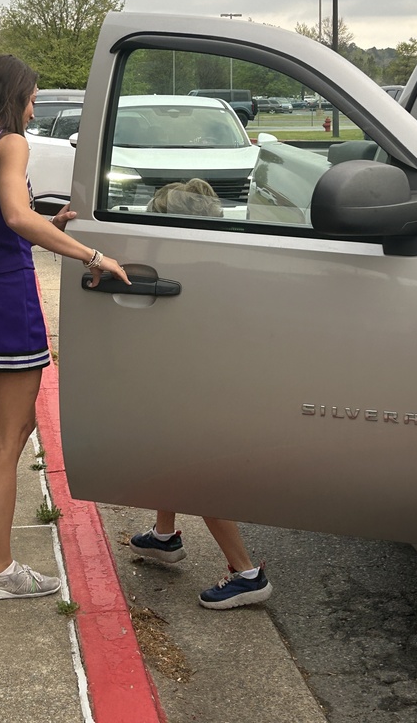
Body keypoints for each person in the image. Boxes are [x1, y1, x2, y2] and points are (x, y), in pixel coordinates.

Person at [0, 54, 129, 601]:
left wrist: (52, 222)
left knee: (6, 439)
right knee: (8, 442)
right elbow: (17, 216)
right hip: (9, 300)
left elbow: (5, 219)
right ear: (11, 95)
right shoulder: (8, 144)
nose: (35, 104)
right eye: (33, 96)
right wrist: (92, 254)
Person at [132, 179, 273, 610]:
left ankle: (246, 573)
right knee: (170, 457)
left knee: (200, 478)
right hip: (213, 384)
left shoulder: (184, 273)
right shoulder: (222, 262)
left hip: (203, 391)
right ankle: (163, 535)